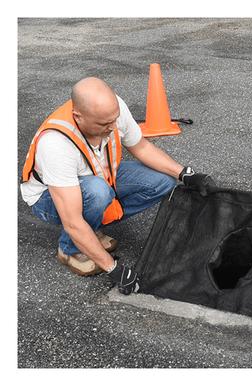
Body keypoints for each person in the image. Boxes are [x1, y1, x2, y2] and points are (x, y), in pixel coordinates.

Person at [20, 77, 212, 295]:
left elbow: (141, 147)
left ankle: (91, 230)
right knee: (97, 193)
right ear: (78, 117)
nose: (113, 127)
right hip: (50, 197)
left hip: (100, 174)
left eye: (114, 120)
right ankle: (69, 249)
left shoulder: (112, 111)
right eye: (104, 125)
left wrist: (185, 174)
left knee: (162, 182)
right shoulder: (55, 144)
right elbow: (72, 221)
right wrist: (114, 269)